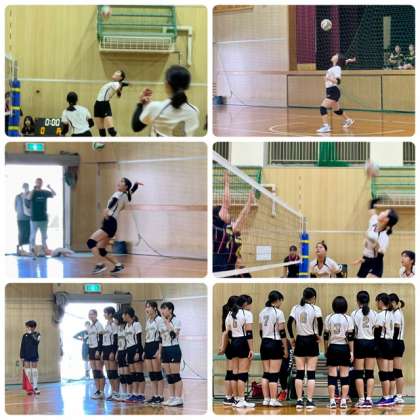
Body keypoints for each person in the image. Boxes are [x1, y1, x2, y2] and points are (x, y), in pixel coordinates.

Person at [86, 177, 143, 275]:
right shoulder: (125, 195)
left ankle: (99, 265)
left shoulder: (118, 194)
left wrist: (108, 209)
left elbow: (114, 201)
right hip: (112, 224)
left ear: (125, 186)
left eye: (122, 182)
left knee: (90, 242)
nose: (119, 182)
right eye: (120, 181)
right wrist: (136, 185)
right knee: (101, 249)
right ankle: (118, 265)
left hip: (109, 222)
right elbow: (131, 192)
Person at [132, 65, 200, 136]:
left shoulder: (155, 107)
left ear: (167, 84)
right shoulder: (195, 111)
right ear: (187, 86)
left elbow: (136, 127)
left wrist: (140, 104)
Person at [287, 287, 323, 410]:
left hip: (300, 340)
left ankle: (299, 400)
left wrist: (292, 337)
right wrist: (319, 335)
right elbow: (320, 323)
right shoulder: (315, 308)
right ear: (313, 297)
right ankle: (310, 401)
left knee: (300, 373)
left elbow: (289, 323)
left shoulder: (295, 307)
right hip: (312, 340)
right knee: (311, 373)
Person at [213, 171, 255, 274]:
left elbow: (242, 218)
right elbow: (226, 203)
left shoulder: (227, 228)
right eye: (226, 212)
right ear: (219, 215)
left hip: (225, 264)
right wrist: (227, 183)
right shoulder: (217, 224)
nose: (229, 214)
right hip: (216, 260)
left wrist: (249, 203)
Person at [324, 296, 355, 409]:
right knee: (344, 377)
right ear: (345, 306)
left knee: (332, 376)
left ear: (333, 306)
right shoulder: (348, 318)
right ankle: (343, 401)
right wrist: (352, 352)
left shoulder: (329, 317)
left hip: (332, 347)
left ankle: (332, 401)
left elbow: (325, 336)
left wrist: (326, 349)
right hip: (344, 348)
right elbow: (350, 337)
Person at [355, 198, 399, 278]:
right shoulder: (374, 220)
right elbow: (371, 207)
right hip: (365, 260)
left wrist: (374, 243)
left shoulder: (384, 236)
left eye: (384, 212)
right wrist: (376, 200)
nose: (381, 212)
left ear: (386, 220)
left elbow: (379, 256)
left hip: (375, 264)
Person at [225, 294, 255, 409]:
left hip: (234, 342)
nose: (251, 306)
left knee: (235, 372)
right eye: (250, 304)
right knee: (242, 373)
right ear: (245, 304)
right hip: (243, 342)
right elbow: (249, 333)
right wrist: (251, 349)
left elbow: (228, 332)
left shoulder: (230, 314)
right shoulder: (247, 314)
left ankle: (236, 399)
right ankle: (241, 400)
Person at [259, 291, 288, 408]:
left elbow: (260, 331)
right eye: (281, 301)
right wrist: (285, 348)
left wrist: (265, 341)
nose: (281, 303)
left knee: (266, 373)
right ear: (278, 300)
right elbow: (282, 332)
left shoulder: (262, 312)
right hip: (275, 343)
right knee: (274, 374)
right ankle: (273, 399)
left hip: (264, 343)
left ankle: (266, 399)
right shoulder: (278, 312)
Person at [317, 53, 356, 133]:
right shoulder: (336, 67)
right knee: (336, 110)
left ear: (337, 59)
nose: (333, 55)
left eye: (335, 55)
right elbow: (344, 61)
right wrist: (349, 60)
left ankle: (326, 126)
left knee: (322, 107)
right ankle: (348, 120)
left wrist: (328, 78)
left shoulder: (337, 68)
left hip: (333, 90)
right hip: (331, 90)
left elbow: (338, 81)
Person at [351, 291, 377, 408]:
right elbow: (377, 330)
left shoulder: (354, 313)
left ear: (357, 301)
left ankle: (362, 399)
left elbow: (351, 332)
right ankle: (369, 399)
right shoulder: (374, 314)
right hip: (371, 343)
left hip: (359, 343)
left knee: (359, 374)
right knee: (370, 373)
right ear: (369, 300)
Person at [159, 301, 184, 407]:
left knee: (175, 375)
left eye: (164, 309)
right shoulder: (160, 322)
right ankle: (172, 397)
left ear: (170, 310)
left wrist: (166, 322)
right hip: (165, 349)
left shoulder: (176, 321)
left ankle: (179, 398)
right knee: (169, 376)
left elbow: (173, 335)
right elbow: (161, 338)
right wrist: (160, 352)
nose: (162, 311)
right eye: (161, 309)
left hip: (173, 348)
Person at [374, 293, 395, 407]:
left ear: (381, 302)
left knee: (383, 373)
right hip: (390, 343)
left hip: (383, 343)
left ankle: (386, 397)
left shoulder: (381, 315)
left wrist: (375, 345)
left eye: (377, 301)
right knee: (389, 372)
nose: (376, 304)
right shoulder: (392, 314)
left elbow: (377, 332)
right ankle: (390, 396)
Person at [218, 295, 239, 406]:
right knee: (232, 372)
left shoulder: (227, 316)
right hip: (232, 344)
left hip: (229, 346)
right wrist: (223, 346)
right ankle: (232, 397)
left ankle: (228, 397)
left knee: (229, 372)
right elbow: (225, 334)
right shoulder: (231, 317)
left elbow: (224, 333)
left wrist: (223, 347)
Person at [94, 70, 128, 136]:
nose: (115, 72)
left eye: (118, 72)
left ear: (120, 77)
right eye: (116, 71)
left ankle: (121, 140)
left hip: (104, 105)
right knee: (101, 132)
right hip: (97, 105)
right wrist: (121, 86)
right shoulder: (112, 83)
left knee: (111, 131)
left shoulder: (116, 83)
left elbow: (118, 94)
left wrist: (120, 87)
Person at [28, 178, 56, 257]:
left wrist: (50, 188)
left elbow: (54, 194)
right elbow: (29, 198)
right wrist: (34, 189)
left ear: (42, 183)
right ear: (35, 183)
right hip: (34, 218)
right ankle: (32, 250)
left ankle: (43, 250)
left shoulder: (44, 192)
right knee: (33, 236)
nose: (39, 184)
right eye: (38, 182)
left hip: (43, 218)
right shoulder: (32, 192)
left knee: (44, 236)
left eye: (40, 182)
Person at [122, 307, 145, 403]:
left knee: (139, 374)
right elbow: (127, 341)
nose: (122, 316)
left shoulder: (136, 324)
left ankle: (141, 394)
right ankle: (135, 394)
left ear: (128, 315)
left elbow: (139, 340)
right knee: (133, 374)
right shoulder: (126, 326)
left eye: (124, 314)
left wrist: (138, 352)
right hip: (129, 349)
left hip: (136, 348)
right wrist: (127, 353)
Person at [144, 300, 164, 405]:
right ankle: (155, 395)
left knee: (157, 373)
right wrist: (144, 350)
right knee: (151, 374)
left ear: (155, 308)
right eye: (146, 307)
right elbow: (147, 337)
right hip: (148, 346)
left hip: (156, 346)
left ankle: (160, 396)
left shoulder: (159, 320)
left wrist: (159, 351)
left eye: (149, 307)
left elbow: (162, 336)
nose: (147, 309)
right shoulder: (148, 321)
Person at [389, 293, 405, 404]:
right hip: (395, 343)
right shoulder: (394, 312)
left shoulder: (397, 313)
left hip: (397, 343)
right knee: (394, 371)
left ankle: (399, 395)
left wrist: (392, 343)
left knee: (397, 371)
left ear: (394, 302)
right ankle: (394, 394)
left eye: (390, 303)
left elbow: (396, 329)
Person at [87, 309, 105, 399]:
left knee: (99, 370)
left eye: (92, 314)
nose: (90, 316)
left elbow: (101, 339)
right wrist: (88, 351)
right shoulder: (89, 326)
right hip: (91, 349)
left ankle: (101, 391)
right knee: (94, 371)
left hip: (97, 349)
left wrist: (99, 350)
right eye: (89, 314)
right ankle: (97, 390)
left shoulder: (99, 325)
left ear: (96, 315)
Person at [102, 307, 119, 400]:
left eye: (105, 313)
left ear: (110, 314)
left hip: (111, 348)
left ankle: (116, 392)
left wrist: (113, 351)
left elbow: (115, 339)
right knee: (108, 373)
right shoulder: (106, 325)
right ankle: (113, 392)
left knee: (113, 372)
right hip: (105, 348)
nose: (104, 315)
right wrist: (102, 351)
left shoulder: (114, 325)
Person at [20, 320, 41, 395]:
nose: (28, 328)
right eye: (27, 327)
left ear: (34, 327)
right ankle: (29, 388)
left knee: (34, 371)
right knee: (28, 371)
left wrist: (31, 334)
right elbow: (22, 346)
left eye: (29, 327)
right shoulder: (24, 335)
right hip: (26, 355)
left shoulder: (38, 334)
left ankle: (35, 387)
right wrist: (21, 356)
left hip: (34, 354)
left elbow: (36, 342)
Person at [113, 311, 129, 401]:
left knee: (126, 374)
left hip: (126, 351)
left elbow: (128, 341)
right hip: (120, 351)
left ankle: (128, 393)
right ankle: (123, 392)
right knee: (121, 374)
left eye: (115, 319)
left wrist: (127, 353)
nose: (114, 320)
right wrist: (117, 353)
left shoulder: (127, 327)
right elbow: (118, 343)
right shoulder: (118, 328)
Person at [15, 183, 31, 255]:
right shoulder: (17, 196)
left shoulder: (30, 195)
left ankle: (30, 249)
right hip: (20, 218)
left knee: (29, 233)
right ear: (22, 187)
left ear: (28, 187)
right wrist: (20, 212)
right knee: (21, 233)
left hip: (29, 218)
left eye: (26, 186)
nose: (25, 188)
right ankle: (20, 249)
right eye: (24, 186)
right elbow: (15, 207)